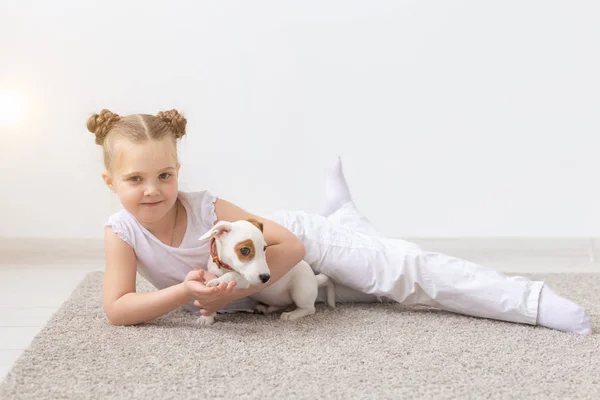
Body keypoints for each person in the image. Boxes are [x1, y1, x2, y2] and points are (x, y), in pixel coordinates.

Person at [88, 108, 593, 335]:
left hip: (298, 243)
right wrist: (185, 294)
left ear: (179, 172)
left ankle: (530, 301)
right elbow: (118, 307)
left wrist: (233, 291)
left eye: (165, 174)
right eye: (136, 178)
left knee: (400, 272)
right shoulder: (122, 233)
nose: (152, 189)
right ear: (112, 183)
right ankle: (348, 214)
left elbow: (286, 246)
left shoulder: (204, 207)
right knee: (369, 293)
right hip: (272, 291)